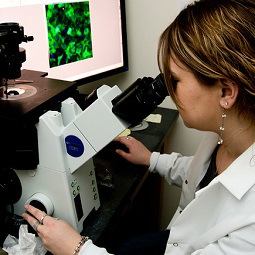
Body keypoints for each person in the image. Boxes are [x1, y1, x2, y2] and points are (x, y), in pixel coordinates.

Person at [22, 0, 255, 254]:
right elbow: (200, 174)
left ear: (225, 91)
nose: (167, 90)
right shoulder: (229, 134)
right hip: (180, 236)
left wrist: (77, 249)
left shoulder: (250, 225)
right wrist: (152, 159)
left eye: (174, 81)